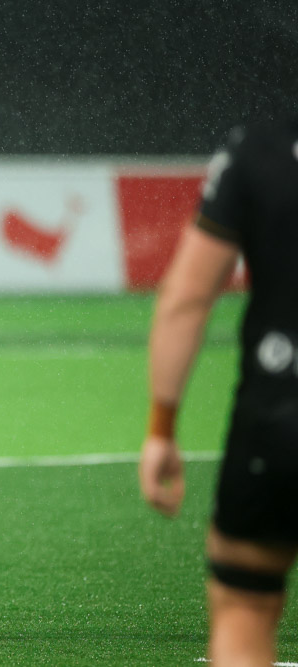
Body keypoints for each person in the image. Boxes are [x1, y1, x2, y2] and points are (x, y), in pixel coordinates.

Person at [139, 117, 298, 665]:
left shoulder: (259, 151)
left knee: (244, 609)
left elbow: (186, 298)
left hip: (280, 416)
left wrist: (161, 428)